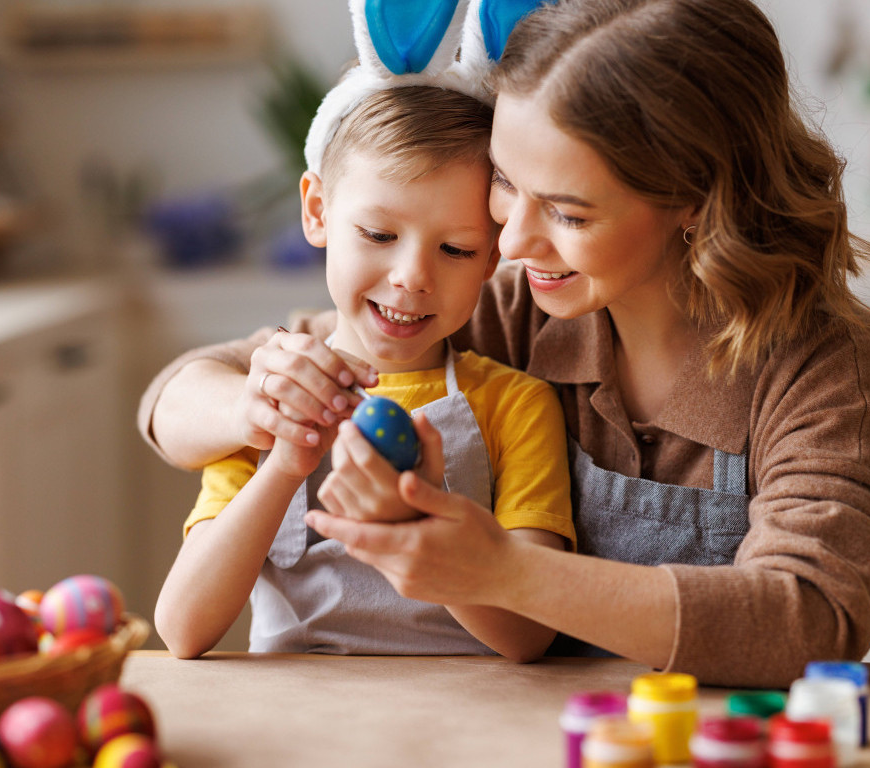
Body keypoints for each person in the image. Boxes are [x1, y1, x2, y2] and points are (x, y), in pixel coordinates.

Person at [141, 0, 870, 688]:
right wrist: (260, 399)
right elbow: (178, 390)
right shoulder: (512, 306)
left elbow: (808, 618)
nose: (511, 237)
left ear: (694, 201)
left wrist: (508, 574)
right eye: (506, 181)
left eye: (568, 212)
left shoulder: (822, 359)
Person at [152, 1, 575, 662]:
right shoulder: (272, 393)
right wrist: (288, 458)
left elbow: (528, 637)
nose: (411, 277)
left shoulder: (516, 407)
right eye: (379, 234)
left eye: (457, 250)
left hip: (469, 725)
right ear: (317, 211)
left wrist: (419, 518)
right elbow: (183, 629)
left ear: (495, 259)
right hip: (303, 726)